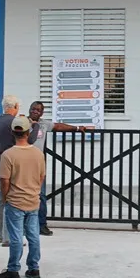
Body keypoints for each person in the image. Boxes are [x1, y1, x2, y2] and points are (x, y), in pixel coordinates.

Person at [0, 115, 46, 278]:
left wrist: (7, 196)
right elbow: (41, 176)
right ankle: (33, 268)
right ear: (28, 131)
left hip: (15, 201)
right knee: (33, 236)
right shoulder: (38, 154)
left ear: (12, 132)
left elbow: (4, 181)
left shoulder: (8, 155)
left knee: (16, 237)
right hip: (33, 200)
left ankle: (13, 269)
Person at [27, 100, 85, 236]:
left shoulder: (44, 124)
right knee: (24, 194)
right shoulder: (23, 122)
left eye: (38, 110)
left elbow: (58, 126)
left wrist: (76, 128)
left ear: (41, 113)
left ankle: (41, 225)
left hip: (38, 165)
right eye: (33, 109)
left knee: (40, 195)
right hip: (24, 164)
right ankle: (26, 225)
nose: (35, 111)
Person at [0, 95, 20, 246]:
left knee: (0, 197)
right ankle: (9, 237)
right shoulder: (15, 123)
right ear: (15, 106)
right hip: (13, 162)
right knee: (12, 197)